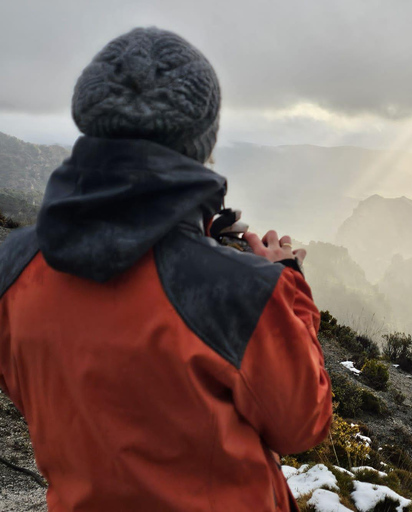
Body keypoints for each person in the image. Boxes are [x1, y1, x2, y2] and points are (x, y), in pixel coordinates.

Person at [0, 27, 332, 511]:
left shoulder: (12, 270)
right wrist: (286, 284)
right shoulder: (237, 294)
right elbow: (304, 425)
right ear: (203, 142)